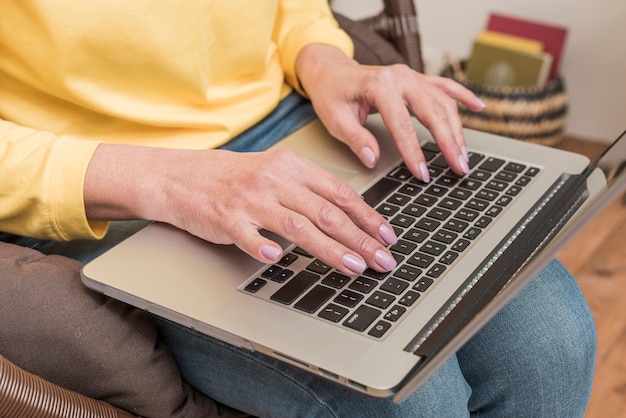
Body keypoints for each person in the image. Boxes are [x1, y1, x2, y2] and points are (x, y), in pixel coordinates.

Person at [0, 1, 596, 417]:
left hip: (283, 118)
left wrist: (325, 61)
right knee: (410, 398)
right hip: (103, 177)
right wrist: (171, 180)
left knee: (553, 342)